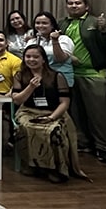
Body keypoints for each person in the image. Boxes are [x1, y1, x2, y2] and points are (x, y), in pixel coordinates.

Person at [10, 45, 88, 183]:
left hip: (53, 112)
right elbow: (17, 100)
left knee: (53, 130)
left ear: (43, 60)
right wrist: (31, 87)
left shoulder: (57, 76)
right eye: (28, 57)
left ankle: (54, 168)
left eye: (35, 57)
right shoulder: (20, 75)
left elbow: (64, 102)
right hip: (28, 111)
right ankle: (33, 165)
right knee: (26, 127)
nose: (31, 60)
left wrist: (51, 117)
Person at [60, 0, 106, 163]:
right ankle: (83, 143)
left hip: (93, 74)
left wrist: (105, 30)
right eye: (70, 3)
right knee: (76, 113)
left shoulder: (95, 22)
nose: (74, 6)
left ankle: (104, 148)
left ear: (86, 6)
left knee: (98, 115)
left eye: (78, 3)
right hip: (69, 74)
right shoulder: (62, 23)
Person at [27, 12, 74, 87]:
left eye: (44, 23)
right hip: (40, 81)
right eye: (37, 23)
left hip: (62, 81)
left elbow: (61, 59)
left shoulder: (64, 39)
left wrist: (55, 41)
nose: (40, 26)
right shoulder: (32, 41)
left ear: (52, 25)